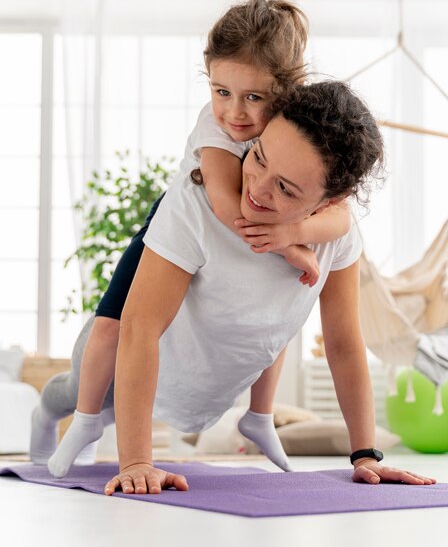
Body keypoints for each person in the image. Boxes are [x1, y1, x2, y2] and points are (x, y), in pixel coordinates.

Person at [31, 81, 436, 495]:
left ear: (332, 201)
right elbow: (138, 326)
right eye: (258, 157)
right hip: (122, 365)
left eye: (286, 188)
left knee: (114, 416)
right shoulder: (195, 201)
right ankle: (43, 414)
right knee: (75, 397)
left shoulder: (337, 237)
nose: (257, 189)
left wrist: (365, 454)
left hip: (203, 391)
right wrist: (136, 461)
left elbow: (345, 344)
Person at [34, 0, 352, 478]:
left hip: (260, 227)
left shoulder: (294, 135)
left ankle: (260, 416)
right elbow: (226, 206)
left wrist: (297, 229)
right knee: (112, 326)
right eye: (221, 91)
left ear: (288, 93)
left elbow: (343, 219)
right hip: (179, 219)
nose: (235, 113)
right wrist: (289, 245)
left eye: (254, 97)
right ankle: (79, 419)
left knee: (286, 313)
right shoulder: (215, 129)